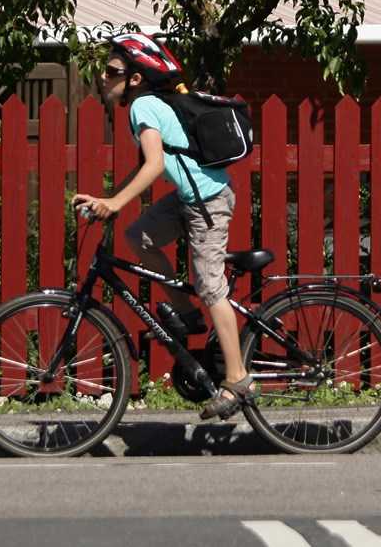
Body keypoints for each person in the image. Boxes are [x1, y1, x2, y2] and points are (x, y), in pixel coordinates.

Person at [72, 33, 255, 421]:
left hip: (208, 200)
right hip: (191, 198)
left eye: (111, 71)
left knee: (210, 284)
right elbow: (151, 166)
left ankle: (238, 378)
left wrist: (115, 203)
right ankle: (185, 312)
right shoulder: (147, 106)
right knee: (139, 236)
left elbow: (154, 165)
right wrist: (109, 200)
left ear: (134, 78)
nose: (103, 78)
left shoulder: (144, 108)